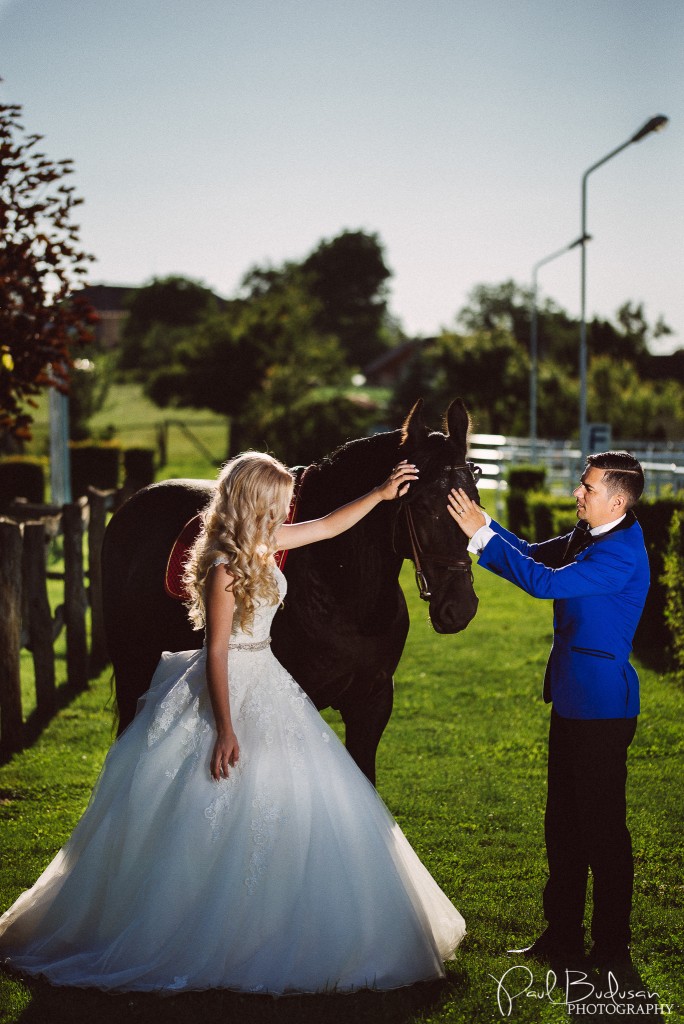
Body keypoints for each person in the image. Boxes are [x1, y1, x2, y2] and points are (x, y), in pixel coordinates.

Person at [0, 452, 465, 995]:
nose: (288, 507)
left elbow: (328, 524)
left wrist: (383, 494)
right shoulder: (224, 564)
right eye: (278, 498)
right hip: (234, 679)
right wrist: (224, 728)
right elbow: (216, 652)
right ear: (252, 500)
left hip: (269, 677)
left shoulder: (267, 543)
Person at [447, 451, 649, 979]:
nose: (577, 494)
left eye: (587, 488)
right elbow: (533, 553)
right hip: (570, 701)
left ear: (618, 500)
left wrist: (481, 539)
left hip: (603, 710)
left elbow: (543, 582)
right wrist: (483, 523)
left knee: (603, 832)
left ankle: (611, 947)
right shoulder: (588, 535)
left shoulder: (621, 552)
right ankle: (561, 935)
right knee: (561, 826)